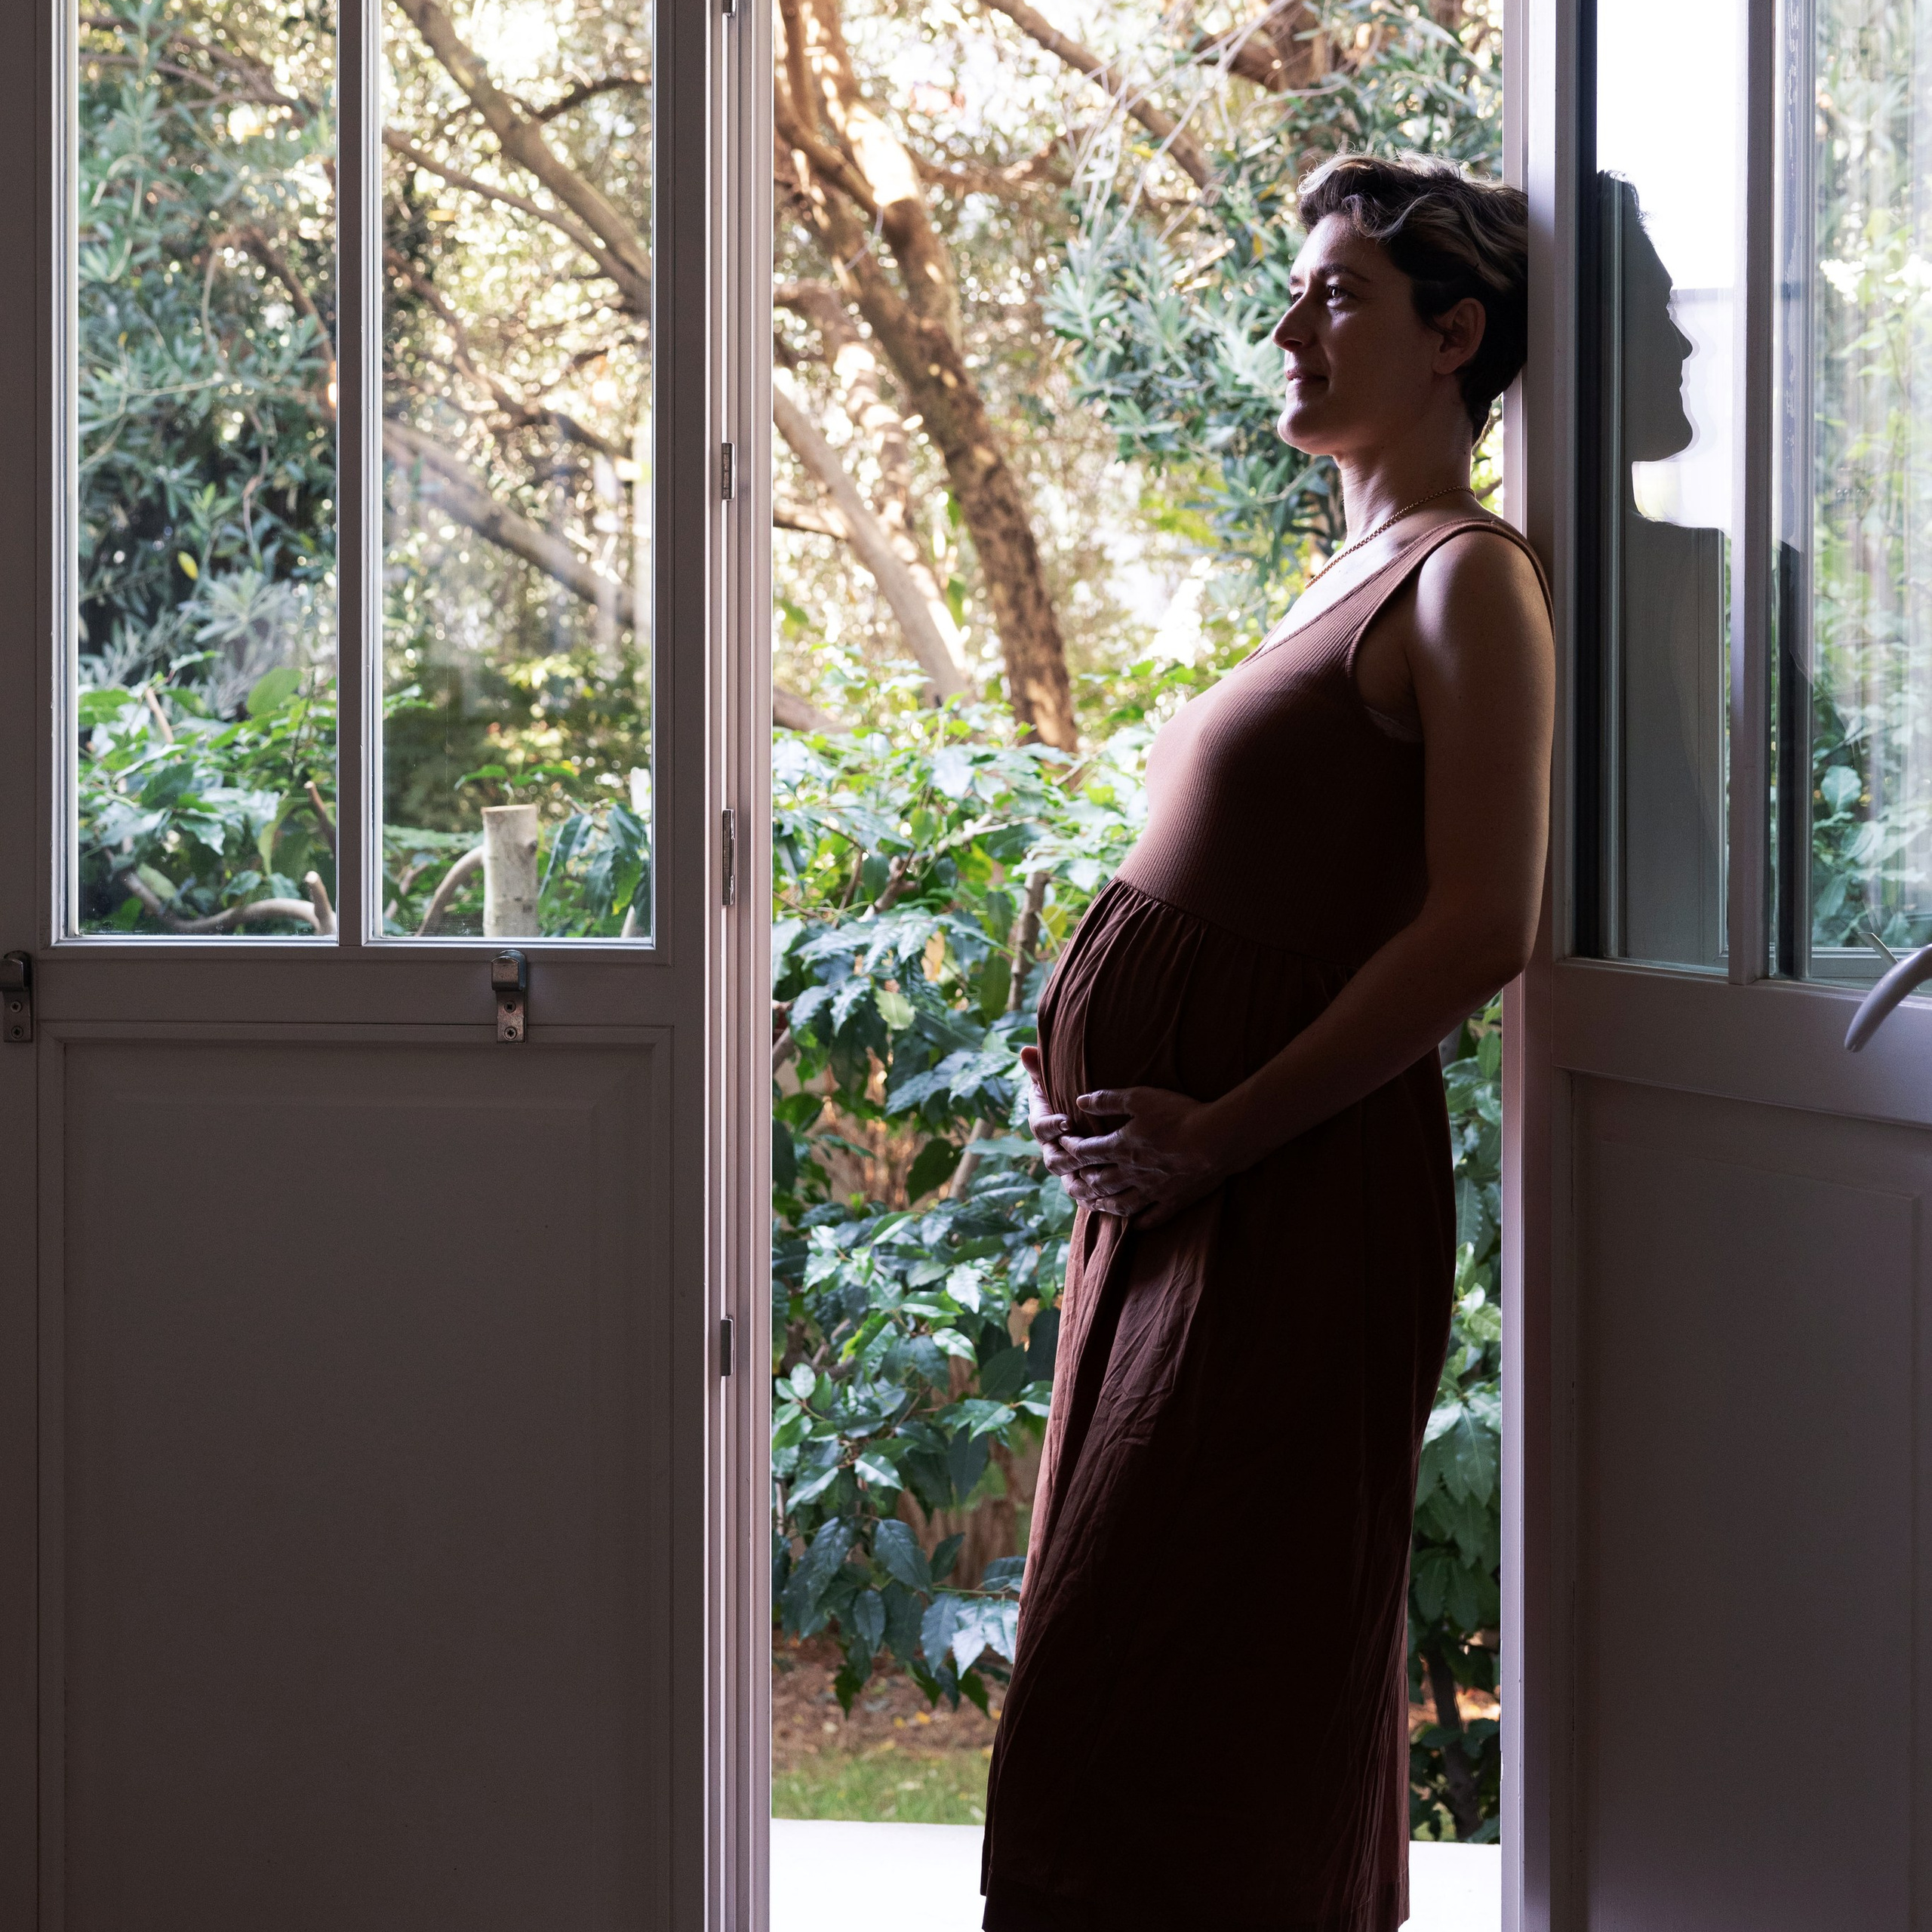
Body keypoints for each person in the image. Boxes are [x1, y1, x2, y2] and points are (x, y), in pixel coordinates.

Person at [978, 152, 1555, 1932]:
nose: (1286, 327)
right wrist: (1084, 1071)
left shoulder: (1469, 583)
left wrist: (1218, 1127)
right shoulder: (1338, 573)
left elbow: (1479, 925)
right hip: (1167, 1201)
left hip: (1283, 1201)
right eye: (1295, 292)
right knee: (1136, 1686)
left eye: (1338, 298)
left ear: (1453, 336)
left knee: (1180, 1691)